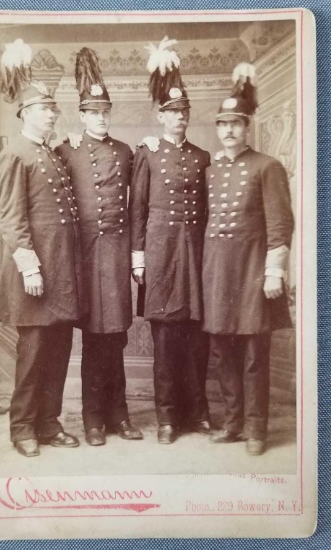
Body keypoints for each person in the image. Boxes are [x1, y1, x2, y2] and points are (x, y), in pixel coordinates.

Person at [0, 40, 86, 457]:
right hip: (36, 275)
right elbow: (12, 219)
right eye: (44, 108)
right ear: (25, 113)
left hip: (62, 273)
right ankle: (22, 429)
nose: (52, 113)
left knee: (58, 353)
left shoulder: (50, 152)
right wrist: (30, 268)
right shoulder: (16, 152)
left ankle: (49, 424)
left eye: (53, 108)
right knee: (32, 357)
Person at [202, 63, 295, 455]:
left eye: (236, 123)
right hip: (219, 275)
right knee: (223, 353)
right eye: (223, 124)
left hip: (254, 272)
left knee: (255, 356)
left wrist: (274, 271)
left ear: (247, 126)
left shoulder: (267, 167)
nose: (229, 131)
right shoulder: (211, 171)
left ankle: (257, 430)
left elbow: (281, 224)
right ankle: (232, 423)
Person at [56, 47, 143, 446]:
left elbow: (140, 195)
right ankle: (93, 419)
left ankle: (119, 415)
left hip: (117, 253)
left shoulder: (125, 151)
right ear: (82, 116)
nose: (101, 117)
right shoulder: (66, 150)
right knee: (94, 338)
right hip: (86, 258)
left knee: (117, 337)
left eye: (105, 111)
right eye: (93, 112)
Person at [129, 37, 212, 444]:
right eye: (172, 112)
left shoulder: (202, 157)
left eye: (184, 111)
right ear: (161, 117)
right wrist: (139, 257)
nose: (180, 117)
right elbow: (138, 209)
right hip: (161, 257)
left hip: (195, 257)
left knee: (196, 338)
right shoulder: (148, 153)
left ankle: (197, 411)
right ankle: (166, 418)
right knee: (165, 340)